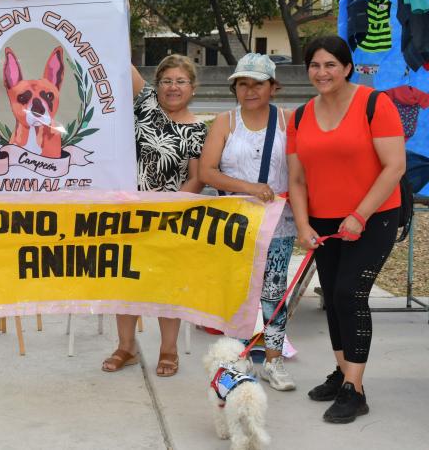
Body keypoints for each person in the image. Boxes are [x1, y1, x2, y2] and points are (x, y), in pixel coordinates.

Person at [287, 35, 405, 424]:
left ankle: (355, 391)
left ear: (348, 67)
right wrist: (303, 225)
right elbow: (298, 179)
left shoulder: (375, 103)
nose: (322, 73)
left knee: (348, 294)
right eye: (315, 66)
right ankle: (343, 372)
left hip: (373, 218)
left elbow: (394, 167)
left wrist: (359, 215)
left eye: (331, 65)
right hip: (324, 223)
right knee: (335, 299)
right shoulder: (300, 116)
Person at [102, 55, 206, 376]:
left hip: (167, 219)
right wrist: (117, 8)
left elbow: (197, 178)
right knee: (125, 282)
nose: (173, 88)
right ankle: (126, 347)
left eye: (180, 82)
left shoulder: (199, 130)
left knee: (166, 286)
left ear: (192, 88)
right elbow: (117, 51)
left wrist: (171, 209)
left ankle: (168, 350)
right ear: (156, 85)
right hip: (125, 214)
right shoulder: (145, 103)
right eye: (166, 81)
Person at [199, 53, 297, 391]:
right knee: (236, 292)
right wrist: (249, 188)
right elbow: (207, 171)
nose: (250, 90)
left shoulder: (288, 121)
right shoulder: (225, 122)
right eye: (243, 83)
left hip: (278, 225)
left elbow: (299, 174)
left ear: (273, 86)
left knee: (273, 293)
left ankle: (273, 360)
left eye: (258, 83)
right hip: (235, 227)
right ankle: (237, 361)